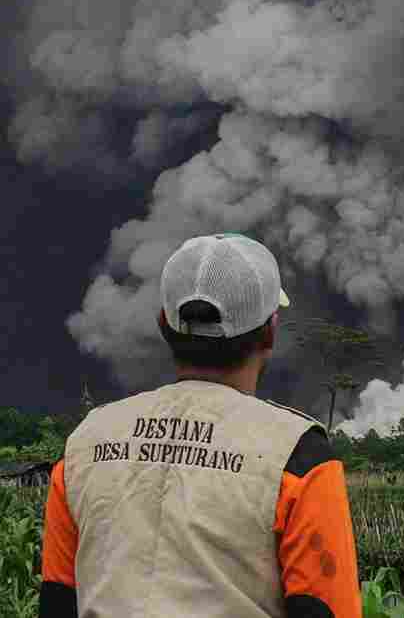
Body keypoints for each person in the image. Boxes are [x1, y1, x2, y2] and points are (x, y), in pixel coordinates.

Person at [39, 233, 363, 618]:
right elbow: (327, 609)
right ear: (270, 330)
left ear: (164, 324)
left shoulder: (84, 445)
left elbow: (56, 600)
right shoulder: (298, 456)